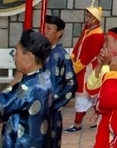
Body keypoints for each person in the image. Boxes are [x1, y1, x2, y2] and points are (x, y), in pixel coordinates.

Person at [0, 29, 53, 147]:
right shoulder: (45, 78)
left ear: (29, 56)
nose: (14, 57)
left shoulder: (27, 87)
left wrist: (14, 82)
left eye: (16, 52)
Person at [65, 5, 105, 132]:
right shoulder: (87, 30)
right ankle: (101, 120)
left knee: (84, 93)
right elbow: (78, 45)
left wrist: (75, 67)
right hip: (82, 65)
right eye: (87, 16)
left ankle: (78, 124)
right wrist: (72, 57)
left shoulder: (98, 34)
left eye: (90, 16)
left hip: (88, 67)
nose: (87, 18)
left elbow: (89, 55)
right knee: (91, 96)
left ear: (96, 19)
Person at [43, 15, 78, 147]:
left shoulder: (63, 56)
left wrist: (55, 103)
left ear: (59, 32)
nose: (45, 31)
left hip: (52, 108)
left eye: (49, 29)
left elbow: (71, 84)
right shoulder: (42, 51)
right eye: (45, 28)